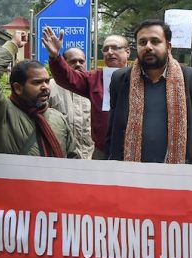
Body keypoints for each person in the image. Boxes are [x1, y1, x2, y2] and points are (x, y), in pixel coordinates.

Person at [104, 19, 192, 164]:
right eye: (142, 42)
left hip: (179, 176)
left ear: (168, 46)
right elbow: (113, 132)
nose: (148, 47)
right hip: (129, 176)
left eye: (155, 41)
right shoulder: (120, 79)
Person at [0, 30, 77, 158]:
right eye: (37, 82)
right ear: (17, 88)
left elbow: (73, 158)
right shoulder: (1, 114)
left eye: (46, 81)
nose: (45, 87)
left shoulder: (58, 117)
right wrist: (13, 45)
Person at [41, 28, 130, 159]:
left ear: (127, 52)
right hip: (103, 152)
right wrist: (55, 56)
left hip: (134, 152)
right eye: (105, 49)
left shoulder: (141, 77)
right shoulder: (94, 79)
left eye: (115, 48)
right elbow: (68, 78)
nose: (110, 52)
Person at [48, 47, 94, 159]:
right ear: (63, 62)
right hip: (61, 157)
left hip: (92, 158)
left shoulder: (95, 86)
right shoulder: (50, 86)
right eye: (73, 61)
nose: (78, 64)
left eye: (81, 61)